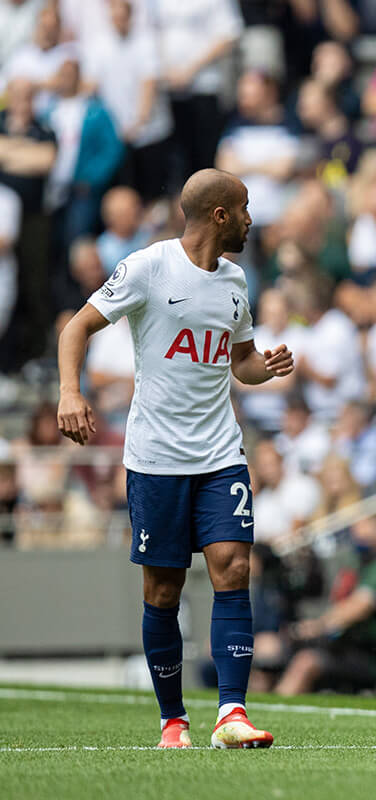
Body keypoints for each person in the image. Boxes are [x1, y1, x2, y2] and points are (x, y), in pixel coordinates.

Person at [56, 168, 293, 749]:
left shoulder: (236, 280)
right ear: (218, 215)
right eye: (242, 207)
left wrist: (267, 366)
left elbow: (239, 362)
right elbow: (76, 328)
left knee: (233, 566)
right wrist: (69, 392)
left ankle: (231, 713)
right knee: (163, 590)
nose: (249, 218)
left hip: (220, 452)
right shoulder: (147, 268)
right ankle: (173, 721)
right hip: (156, 457)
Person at [273, 515, 376, 696]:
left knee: (306, 663)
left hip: (365, 656)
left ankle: (280, 715)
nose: (358, 536)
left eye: (365, 531)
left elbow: (358, 607)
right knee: (268, 654)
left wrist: (317, 626)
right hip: (339, 648)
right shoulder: (356, 566)